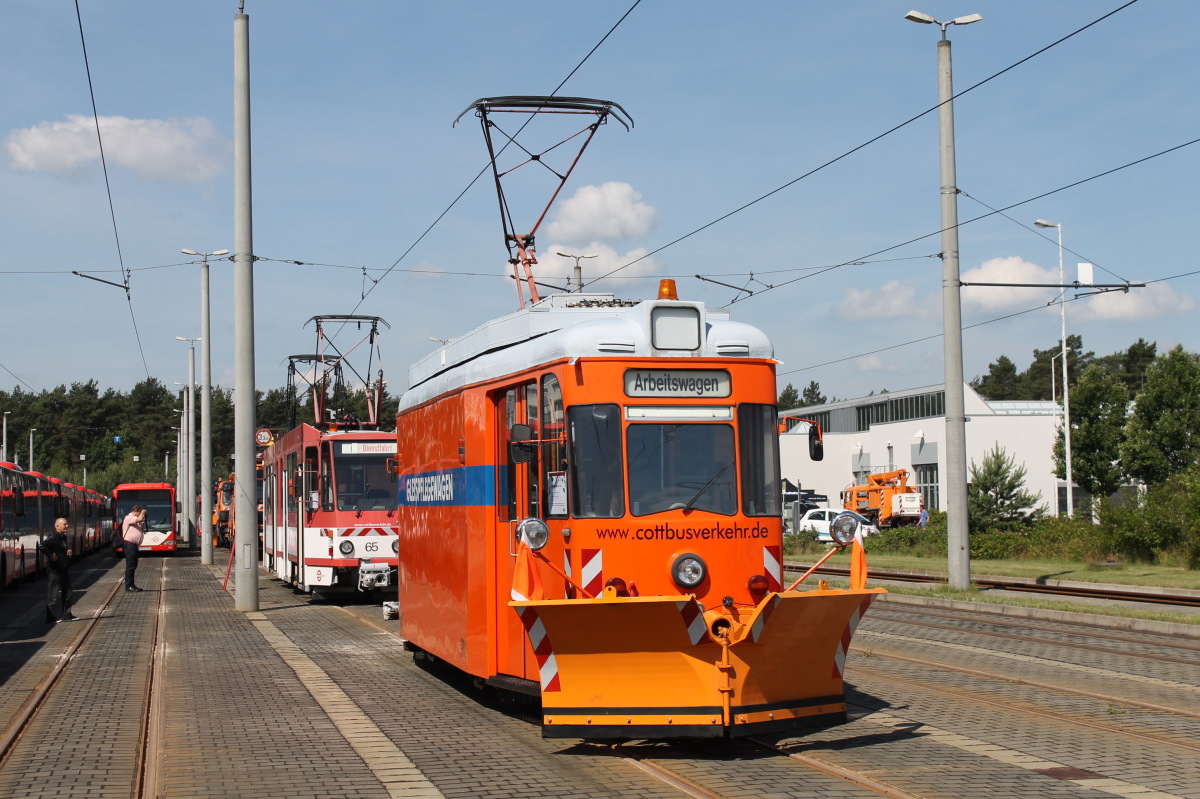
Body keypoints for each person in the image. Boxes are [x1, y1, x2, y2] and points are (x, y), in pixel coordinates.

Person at [40, 517, 76, 623]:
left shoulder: (63, 537)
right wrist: (51, 555)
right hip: (55, 570)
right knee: (53, 595)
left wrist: (68, 553)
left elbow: (61, 549)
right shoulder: (53, 537)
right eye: (64, 524)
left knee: (68, 592)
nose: (67, 526)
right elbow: (42, 546)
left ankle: (67, 615)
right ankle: (50, 618)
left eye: (67, 524)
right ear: (57, 526)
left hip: (63, 568)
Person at [121, 505, 147, 592]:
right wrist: (143, 512)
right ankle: (129, 585)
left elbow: (140, 528)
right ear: (135, 511)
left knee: (134, 564)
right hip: (129, 545)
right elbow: (139, 519)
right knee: (131, 565)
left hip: (133, 545)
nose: (141, 516)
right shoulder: (129, 517)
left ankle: (131, 584)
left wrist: (142, 525)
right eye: (139, 513)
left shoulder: (135, 520)